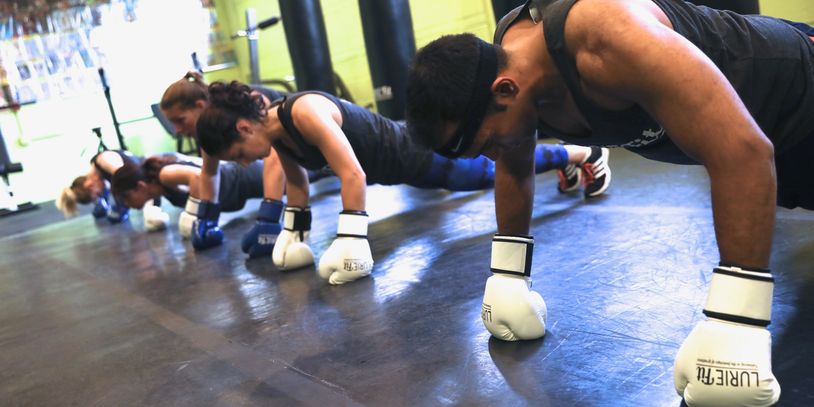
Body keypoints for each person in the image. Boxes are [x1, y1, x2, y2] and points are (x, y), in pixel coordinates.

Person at [403, 0, 814, 405]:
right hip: (774, 148)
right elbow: (515, 164)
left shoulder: (605, 37)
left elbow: (742, 152)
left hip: (801, 94)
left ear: (506, 88)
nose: (495, 155)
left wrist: (736, 322)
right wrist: (507, 276)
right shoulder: (508, 69)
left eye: (489, 142)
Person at [195, 80, 609, 285]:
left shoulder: (303, 113)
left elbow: (351, 173)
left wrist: (352, 240)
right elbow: (297, 185)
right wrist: (293, 235)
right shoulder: (278, 136)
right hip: (400, 167)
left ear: (245, 128)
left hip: (416, 154)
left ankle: (583, 153)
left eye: (235, 155)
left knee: (489, 170)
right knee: (488, 169)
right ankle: (572, 158)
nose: (241, 162)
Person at [159, 71, 289, 251]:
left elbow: (278, 155)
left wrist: (269, 219)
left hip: (305, 146)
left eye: (180, 120)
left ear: (200, 105)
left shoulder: (251, 101)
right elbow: (210, 171)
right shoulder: (210, 126)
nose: (178, 130)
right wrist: (207, 218)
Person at [57, 149, 169, 230]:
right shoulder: (103, 174)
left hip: (165, 165)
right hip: (158, 179)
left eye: (97, 195)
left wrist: (150, 209)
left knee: (153, 218)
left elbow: (134, 179)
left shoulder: (103, 161)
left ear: (89, 186)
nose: (101, 195)